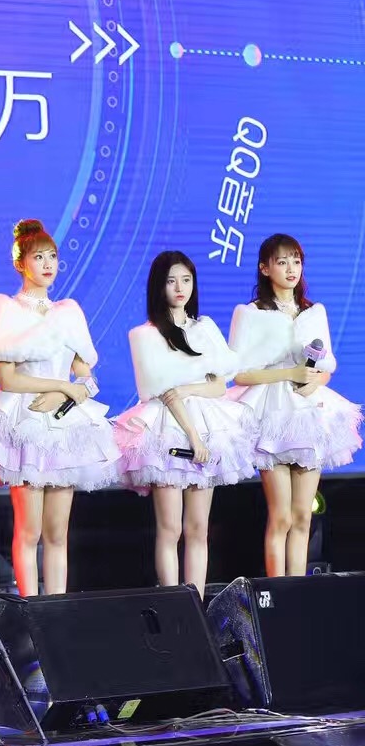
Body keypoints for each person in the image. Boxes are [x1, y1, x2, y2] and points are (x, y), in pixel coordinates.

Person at [0, 220, 120, 596]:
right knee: (30, 531)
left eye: (52, 256)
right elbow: (8, 380)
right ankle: (31, 610)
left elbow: (87, 379)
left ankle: (57, 610)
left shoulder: (68, 313)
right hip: (25, 423)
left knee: (58, 533)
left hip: (62, 425)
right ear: (20, 263)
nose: (47, 264)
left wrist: (67, 393)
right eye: (38, 257)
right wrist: (60, 386)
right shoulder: (7, 310)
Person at [112, 251, 257, 597]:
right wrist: (193, 435)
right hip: (168, 430)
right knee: (170, 529)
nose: (180, 288)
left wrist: (188, 388)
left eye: (186, 280)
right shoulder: (146, 335)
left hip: (207, 423)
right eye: (171, 280)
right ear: (158, 286)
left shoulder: (204, 328)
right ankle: (173, 604)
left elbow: (220, 385)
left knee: (198, 528)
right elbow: (160, 391)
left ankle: (196, 603)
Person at [228, 233, 361, 577]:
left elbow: (327, 365)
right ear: (265, 268)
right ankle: (277, 592)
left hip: (308, 412)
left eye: (296, 261)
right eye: (282, 261)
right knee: (281, 516)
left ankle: (299, 591)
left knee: (303, 515)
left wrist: (316, 379)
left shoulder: (314, 312)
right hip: (270, 411)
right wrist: (289, 372)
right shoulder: (250, 313)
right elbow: (238, 374)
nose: (291, 268)